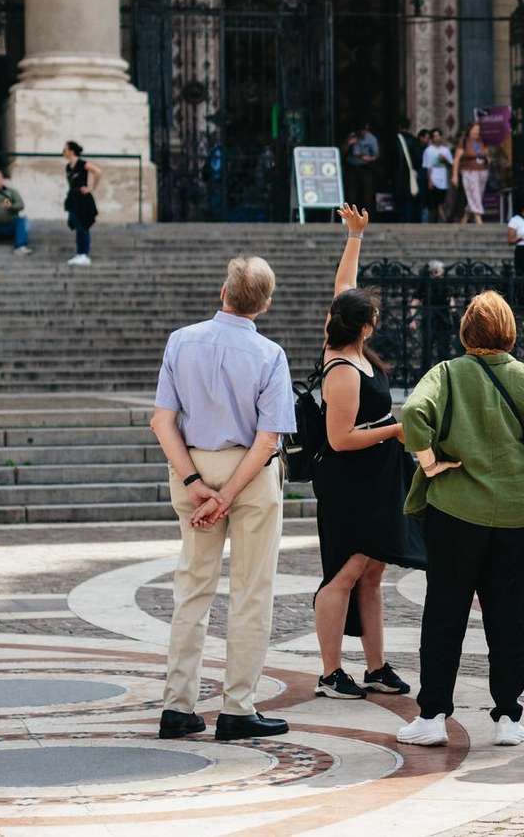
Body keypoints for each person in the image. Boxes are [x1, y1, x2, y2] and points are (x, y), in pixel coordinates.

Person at [397, 292, 524, 748]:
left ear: (466, 332)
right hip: (514, 514)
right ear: (509, 331)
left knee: (445, 613)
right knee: (508, 617)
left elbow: (413, 412)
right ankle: (508, 715)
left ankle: (432, 714)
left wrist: (430, 462)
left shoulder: (447, 374)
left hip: (455, 511)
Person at [148, 255, 296, 742]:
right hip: (248, 476)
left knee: (192, 587)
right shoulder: (269, 354)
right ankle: (237, 707)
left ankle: (178, 704)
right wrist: (228, 495)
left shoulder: (181, 341)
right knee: (251, 591)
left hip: (193, 466)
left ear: (223, 293)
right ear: (266, 304)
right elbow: (268, 437)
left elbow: (162, 421)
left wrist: (195, 485)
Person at [311, 206, 423, 701]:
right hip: (350, 480)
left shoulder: (349, 342)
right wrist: (394, 430)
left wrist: (355, 236)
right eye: (374, 315)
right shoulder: (340, 367)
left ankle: (376, 667)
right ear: (364, 326)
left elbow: (343, 287)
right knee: (345, 571)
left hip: (375, 477)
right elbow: (339, 439)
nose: (378, 318)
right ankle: (331, 672)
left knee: (372, 571)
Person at [63, 141, 101, 266]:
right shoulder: (68, 167)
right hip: (73, 199)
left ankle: (84, 254)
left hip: (83, 199)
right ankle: (80, 253)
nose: (64, 151)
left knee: (83, 225)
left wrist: (91, 187)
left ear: (71, 151)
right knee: (77, 225)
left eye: (66, 149)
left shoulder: (82, 163)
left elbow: (98, 172)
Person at [457, 122, 491, 223]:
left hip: (482, 171)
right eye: (475, 129)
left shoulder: (481, 141)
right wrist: (454, 175)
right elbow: (457, 159)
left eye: (478, 129)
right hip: (469, 171)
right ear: (470, 130)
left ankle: (465, 219)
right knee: (474, 194)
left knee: (477, 195)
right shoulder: (464, 141)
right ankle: (478, 219)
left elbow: (487, 154)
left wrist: (488, 159)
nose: (477, 131)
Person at [343, 125, 381, 213]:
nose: (361, 133)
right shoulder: (352, 136)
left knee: (366, 193)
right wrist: (348, 144)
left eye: (363, 131)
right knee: (351, 193)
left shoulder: (371, 139)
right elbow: (343, 151)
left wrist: (369, 158)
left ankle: (366, 215)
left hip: (365, 167)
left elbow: (376, 155)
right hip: (352, 167)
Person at [422, 129, 454, 221]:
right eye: (435, 136)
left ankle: (443, 220)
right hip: (433, 180)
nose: (437, 138)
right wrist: (429, 181)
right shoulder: (428, 151)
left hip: (443, 181)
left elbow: (451, 164)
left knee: (441, 202)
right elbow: (428, 167)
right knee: (433, 204)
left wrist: (445, 160)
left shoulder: (446, 150)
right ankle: (438, 221)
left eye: (438, 135)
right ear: (432, 138)